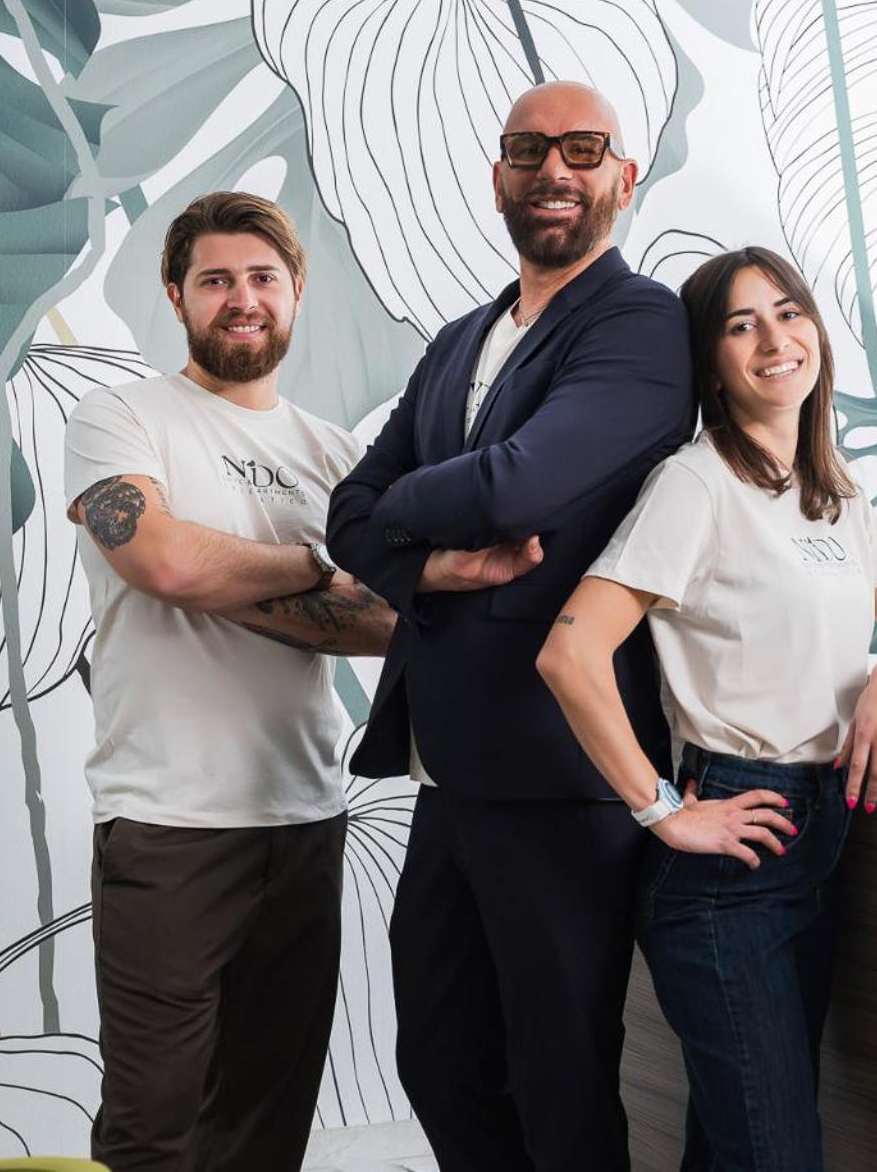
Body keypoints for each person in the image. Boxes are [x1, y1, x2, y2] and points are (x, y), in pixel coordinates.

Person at [326, 81, 695, 1170]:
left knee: (560, 1077)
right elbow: (344, 514)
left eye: (583, 148)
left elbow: (517, 487)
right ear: (499, 180)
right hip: (449, 770)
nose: (554, 170)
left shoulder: (641, 323)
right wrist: (428, 555)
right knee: (440, 1061)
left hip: (559, 775)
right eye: (529, 151)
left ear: (623, 177)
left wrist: (398, 515)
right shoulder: (461, 338)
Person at [537, 244, 877, 1172]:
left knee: (740, 1144)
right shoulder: (696, 484)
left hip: (823, 836)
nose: (775, 338)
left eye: (788, 312)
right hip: (730, 859)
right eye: (741, 324)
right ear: (713, 363)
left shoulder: (834, 493)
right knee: (774, 1152)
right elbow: (570, 652)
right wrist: (662, 809)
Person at [62, 191, 396, 1172]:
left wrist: (227, 581)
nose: (241, 298)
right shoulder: (122, 417)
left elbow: (394, 622)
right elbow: (161, 559)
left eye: (261, 278)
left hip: (305, 819)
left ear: (295, 292)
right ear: (177, 296)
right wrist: (313, 566)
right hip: (169, 823)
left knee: (266, 1124)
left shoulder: (339, 457)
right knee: (153, 1129)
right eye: (215, 279)